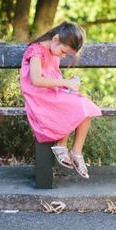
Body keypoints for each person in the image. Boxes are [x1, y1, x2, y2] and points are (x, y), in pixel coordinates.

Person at [20, 21, 101, 179]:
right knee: (75, 105)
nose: (63, 56)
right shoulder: (36, 50)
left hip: (52, 93)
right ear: (56, 38)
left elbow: (53, 77)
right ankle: (61, 145)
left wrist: (69, 85)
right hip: (39, 96)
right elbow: (36, 80)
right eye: (64, 52)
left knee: (86, 108)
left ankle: (76, 152)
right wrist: (65, 83)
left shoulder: (53, 51)